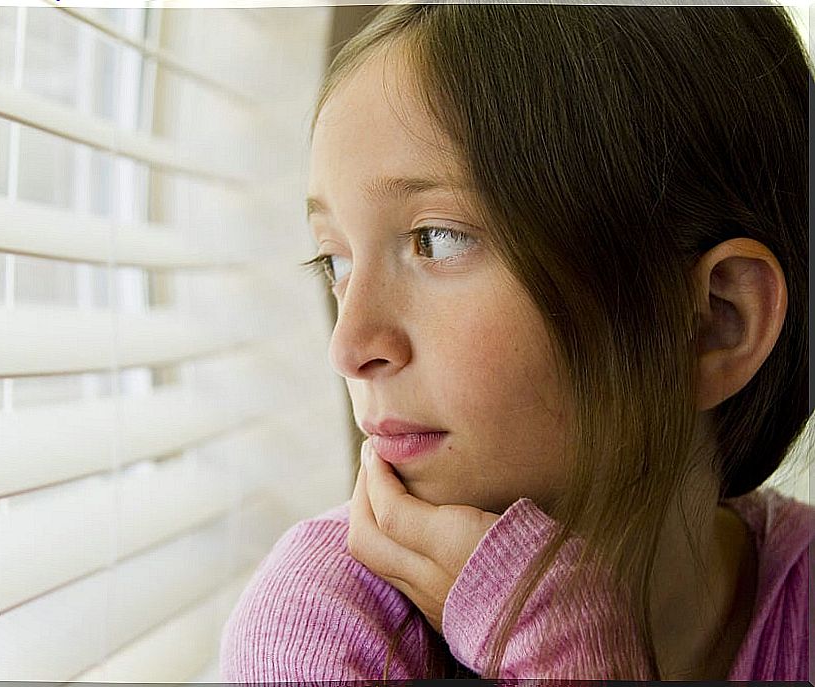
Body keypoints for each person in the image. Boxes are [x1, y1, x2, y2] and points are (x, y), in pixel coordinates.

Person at [220, 2, 813, 681]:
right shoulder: (319, 629)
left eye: (436, 239)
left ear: (716, 320)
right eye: (335, 260)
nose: (350, 346)